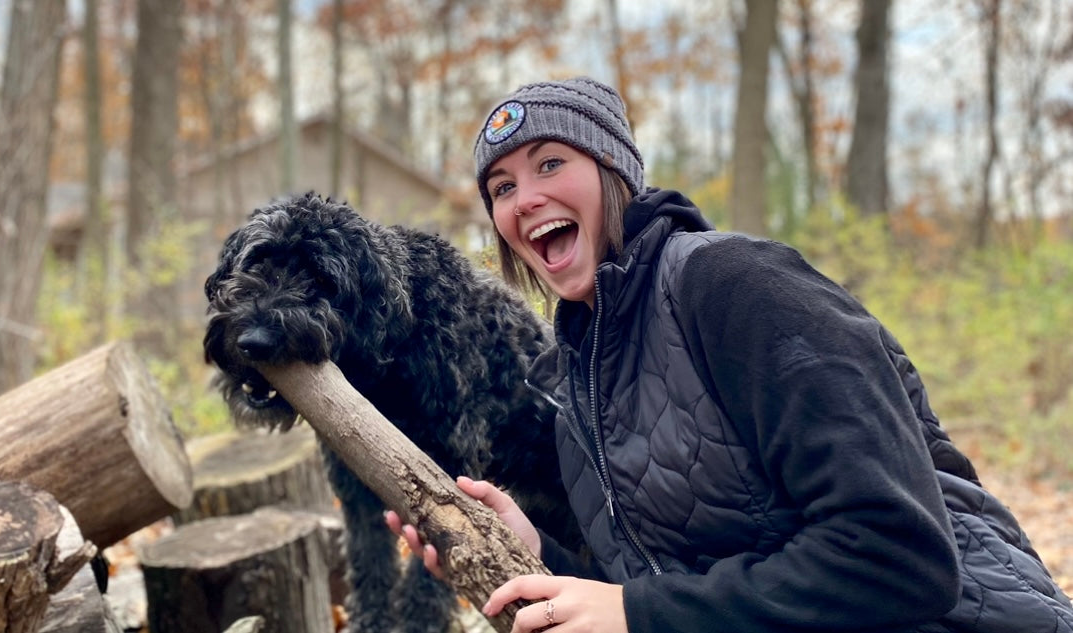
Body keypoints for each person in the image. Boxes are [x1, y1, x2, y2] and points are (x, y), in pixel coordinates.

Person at [386, 76, 1073, 633]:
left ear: (613, 173)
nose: (525, 197)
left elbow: (901, 554)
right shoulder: (575, 384)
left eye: (550, 163)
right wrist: (537, 557)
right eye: (502, 187)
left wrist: (636, 612)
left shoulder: (732, 285)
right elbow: (675, 593)